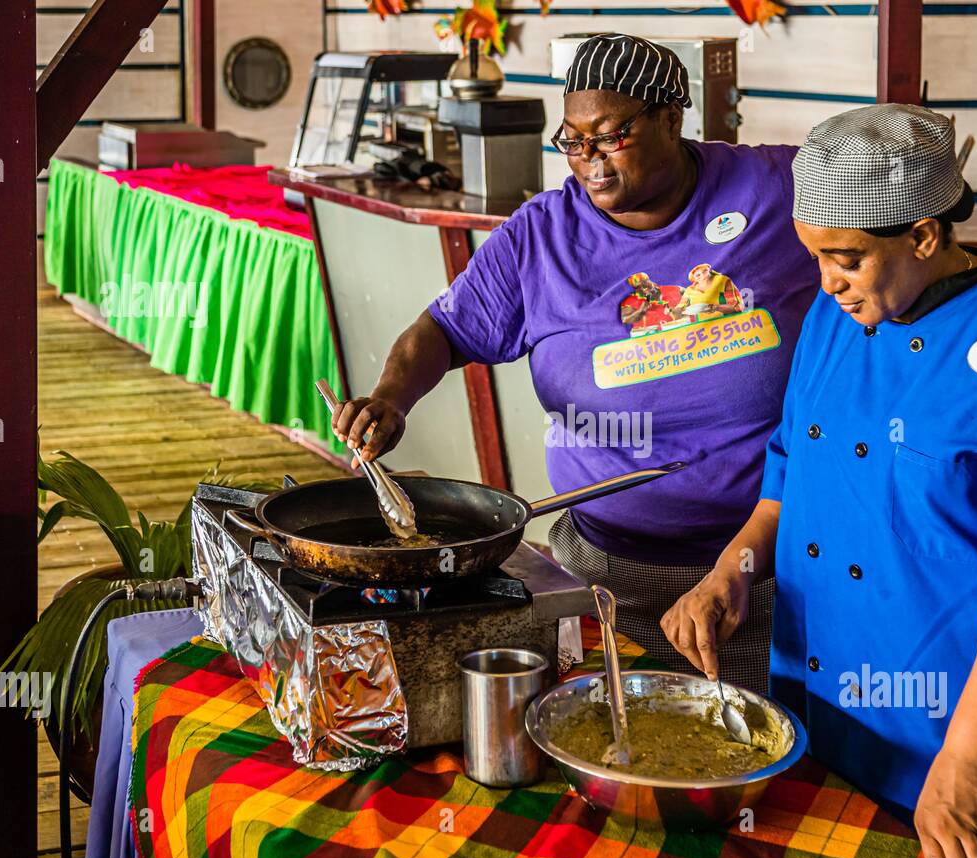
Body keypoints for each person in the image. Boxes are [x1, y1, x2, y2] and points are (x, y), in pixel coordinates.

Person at [662, 104, 977, 858]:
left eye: (847, 258)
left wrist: (968, 764)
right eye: (814, 256)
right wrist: (733, 569)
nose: (827, 282)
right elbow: (791, 464)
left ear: (923, 234)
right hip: (832, 721)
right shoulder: (833, 314)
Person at [331, 34, 819, 691]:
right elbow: (444, 330)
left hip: (764, 576)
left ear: (671, 119)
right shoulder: (541, 235)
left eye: (610, 136)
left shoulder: (774, 189)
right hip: (600, 575)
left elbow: (892, 209)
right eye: (571, 140)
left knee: (763, 757)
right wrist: (392, 396)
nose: (587, 160)